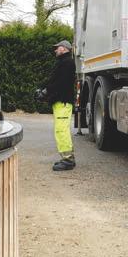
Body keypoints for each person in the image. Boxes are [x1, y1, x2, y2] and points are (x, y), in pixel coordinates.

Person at [43, 40, 77, 171]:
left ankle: (68, 160)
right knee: (61, 130)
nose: (55, 50)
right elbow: (56, 81)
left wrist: (46, 92)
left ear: (63, 49)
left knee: (62, 131)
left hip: (63, 102)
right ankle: (67, 158)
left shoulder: (66, 63)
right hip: (61, 102)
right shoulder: (64, 63)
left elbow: (60, 83)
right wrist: (46, 91)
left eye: (57, 48)